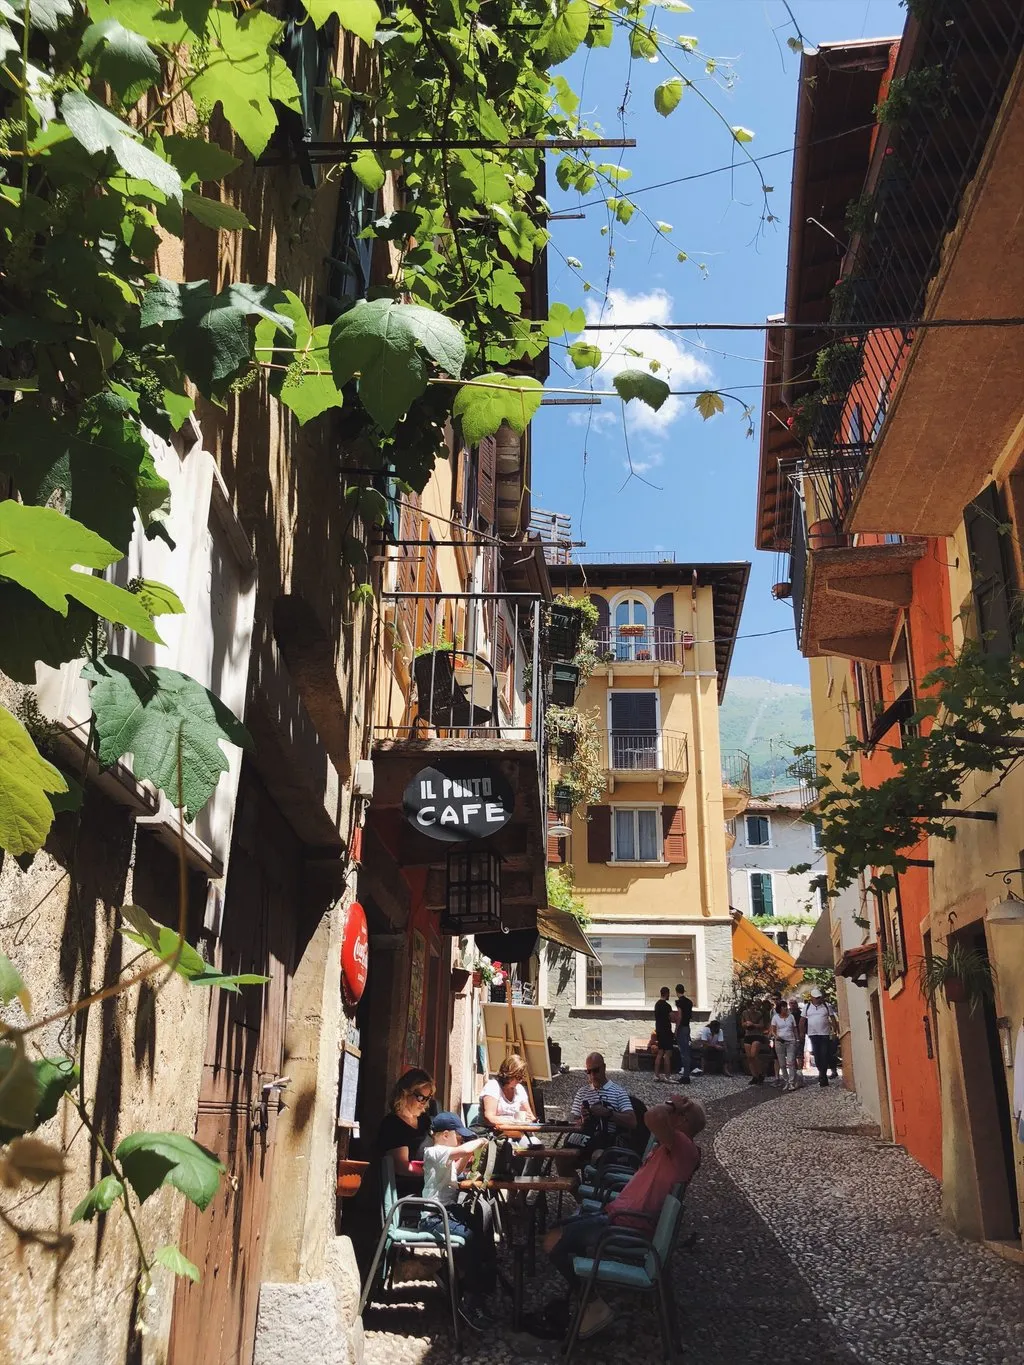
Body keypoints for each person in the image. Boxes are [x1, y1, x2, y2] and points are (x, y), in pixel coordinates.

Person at [542, 1093, 706, 1338]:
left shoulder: (682, 1145)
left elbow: (650, 1116)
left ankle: (592, 1304)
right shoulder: (675, 1147)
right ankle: (585, 1299)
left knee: (552, 1239)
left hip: (625, 1227)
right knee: (557, 1229)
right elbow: (654, 1119)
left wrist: (672, 1104)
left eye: (677, 1114)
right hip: (620, 1218)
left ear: (682, 1120)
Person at [419, 1111, 496, 1331]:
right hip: (433, 1216)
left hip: (446, 1211)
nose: (460, 1140)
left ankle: (459, 1278)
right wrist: (479, 1141)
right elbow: (461, 1151)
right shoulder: (433, 1152)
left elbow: (457, 1168)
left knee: (480, 1227)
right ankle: (469, 1299)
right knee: (470, 1238)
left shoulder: (445, 1155)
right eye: (457, 1135)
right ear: (445, 1135)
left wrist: (466, 1156)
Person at [569, 1053, 636, 1160]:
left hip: (608, 1140)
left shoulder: (618, 1092)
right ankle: (575, 1177)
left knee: (598, 1156)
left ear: (604, 1068)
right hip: (586, 1137)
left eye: (596, 1070)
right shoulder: (582, 1092)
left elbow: (632, 1121)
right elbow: (572, 1119)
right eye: (589, 1071)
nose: (592, 1075)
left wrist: (608, 1113)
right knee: (562, 1157)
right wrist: (582, 1119)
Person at [377, 1068, 434, 1191]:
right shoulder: (393, 1124)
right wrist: (434, 1172)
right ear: (405, 1093)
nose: (424, 1103)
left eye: (428, 1098)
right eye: (420, 1097)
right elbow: (401, 1167)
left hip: (429, 1187)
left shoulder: (425, 1121)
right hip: (408, 1193)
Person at [479, 1053, 536, 1128]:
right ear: (508, 1075)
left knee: (534, 1140)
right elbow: (489, 1118)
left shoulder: (519, 1089)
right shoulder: (493, 1086)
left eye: (522, 1077)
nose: (520, 1080)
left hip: (518, 1131)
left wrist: (528, 1119)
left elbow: (530, 1116)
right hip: (496, 1132)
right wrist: (513, 1121)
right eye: (518, 1077)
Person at [804, 987, 834, 1087]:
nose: (818, 999)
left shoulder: (826, 1006)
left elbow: (832, 1017)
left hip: (824, 1034)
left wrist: (835, 1031)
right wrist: (801, 1033)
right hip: (813, 1034)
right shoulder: (807, 1007)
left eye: (819, 997)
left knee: (824, 1054)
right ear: (811, 998)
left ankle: (823, 1075)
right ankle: (821, 1072)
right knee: (817, 1056)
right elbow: (802, 1020)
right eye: (816, 998)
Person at [770, 999, 799, 1091]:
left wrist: (797, 1039)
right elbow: (773, 1030)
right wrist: (776, 1037)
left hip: (791, 1041)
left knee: (790, 1062)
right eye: (783, 1007)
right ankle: (786, 1081)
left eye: (786, 1006)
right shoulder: (775, 1018)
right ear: (779, 1009)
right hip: (780, 1042)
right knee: (782, 1063)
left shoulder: (791, 1017)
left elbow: (795, 1028)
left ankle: (791, 1082)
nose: (786, 1008)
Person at [740, 999, 768, 1085]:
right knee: (749, 1057)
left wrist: (753, 1024)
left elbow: (762, 1025)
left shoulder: (759, 1014)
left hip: (757, 1035)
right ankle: (754, 1076)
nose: (753, 1007)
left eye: (754, 1005)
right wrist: (746, 1024)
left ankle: (760, 1074)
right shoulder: (745, 1013)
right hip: (748, 1035)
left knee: (754, 1055)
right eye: (752, 1006)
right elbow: (742, 1024)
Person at [673, 982, 694, 1084]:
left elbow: (679, 1016)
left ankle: (685, 1076)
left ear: (677, 991)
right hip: (687, 1027)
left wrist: (676, 1030)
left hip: (682, 1027)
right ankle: (687, 1074)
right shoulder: (689, 1002)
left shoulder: (679, 1002)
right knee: (687, 1051)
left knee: (683, 1052)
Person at [653, 986, 674, 1082]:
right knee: (667, 1054)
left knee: (660, 1053)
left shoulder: (657, 1005)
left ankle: (656, 1075)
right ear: (666, 993)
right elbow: (672, 1018)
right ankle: (667, 1076)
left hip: (659, 1030)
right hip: (666, 1031)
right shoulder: (667, 1006)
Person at [789, 998, 805, 1080]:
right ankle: (795, 1071)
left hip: (799, 1035)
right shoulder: (787, 1013)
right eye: (791, 1003)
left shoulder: (801, 1013)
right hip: (789, 1036)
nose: (792, 1004)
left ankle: (800, 1071)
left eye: (794, 1003)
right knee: (792, 1055)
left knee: (800, 1054)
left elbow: (804, 1024)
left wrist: (802, 1034)